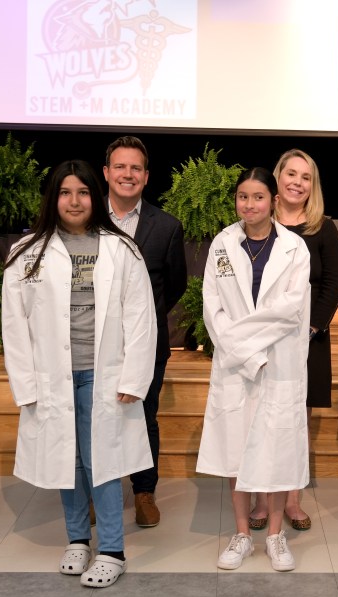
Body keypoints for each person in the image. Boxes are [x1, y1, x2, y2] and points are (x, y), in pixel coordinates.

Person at [1, 160, 156, 588]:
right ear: (53, 198)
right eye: (65, 192)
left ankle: (112, 549)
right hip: (53, 376)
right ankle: (77, 539)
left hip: (102, 374)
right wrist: (25, 383)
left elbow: (142, 318)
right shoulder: (27, 252)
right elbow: (13, 324)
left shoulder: (121, 249)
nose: (74, 201)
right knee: (66, 460)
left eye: (83, 192)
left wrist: (133, 377)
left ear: (95, 197)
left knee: (102, 462)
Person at [196, 167, 311, 572]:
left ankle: (275, 536)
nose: (249, 204)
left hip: (279, 362)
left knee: (279, 449)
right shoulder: (222, 244)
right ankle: (243, 534)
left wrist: (247, 345)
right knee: (236, 449)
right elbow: (213, 308)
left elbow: (289, 311)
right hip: (235, 365)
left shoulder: (295, 248)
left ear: (273, 201)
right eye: (243, 197)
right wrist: (244, 352)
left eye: (258, 197)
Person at [247, 149, 338, 532]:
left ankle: (291, 500)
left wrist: (310, 330)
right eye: (291, 174)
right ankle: (259, 499)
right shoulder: (258, 223)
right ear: (278, 177)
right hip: (261, 338)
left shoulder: (324, 229)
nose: (297, 183)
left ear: (312, 185)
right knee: (258, 415)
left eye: (306, 177)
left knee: (295, 420)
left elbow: (333, 285)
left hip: (307, 340)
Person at [103, 135, 187, 528]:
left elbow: (175, 285)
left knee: (144, 416)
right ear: (106, 172)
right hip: (96, 343)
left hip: (148, 345)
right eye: (120, 166)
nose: (128, 174)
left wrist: (144, 323)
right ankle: (100, 490)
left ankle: (144, 492)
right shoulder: (86, 220)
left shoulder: (166, 226)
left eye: (135, 168)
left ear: (146, 176)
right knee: (97, 417)